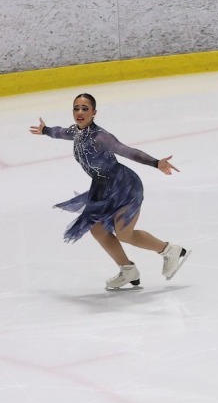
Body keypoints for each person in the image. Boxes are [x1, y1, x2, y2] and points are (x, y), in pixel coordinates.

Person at [30, 92, 189, 292]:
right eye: (76, 108)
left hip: (124, 187)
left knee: (124, 234)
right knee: (96, 228)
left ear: (94, 112)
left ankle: (170, 251)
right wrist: (45, 130)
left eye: (85, 109)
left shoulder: (101, 137)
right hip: (102, 189)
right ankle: (127, 269)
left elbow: (128, 151)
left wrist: (156, 163)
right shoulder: (76, 132)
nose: (80, 112)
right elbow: (60, 132)